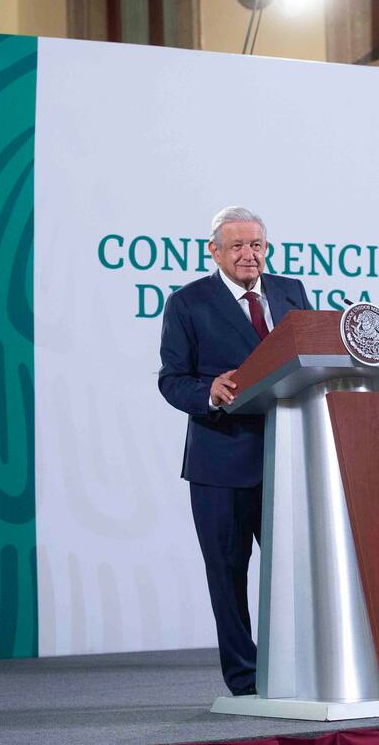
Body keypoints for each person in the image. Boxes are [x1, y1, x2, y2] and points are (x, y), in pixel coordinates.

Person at [158, 206, 312, 695]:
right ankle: (246, 679)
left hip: (288, 455)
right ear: (215, 252)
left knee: (298, 570)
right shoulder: (188, 303)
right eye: (239, 246)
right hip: (221, 461)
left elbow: (311, 355)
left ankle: (304, 668)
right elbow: (172, 380)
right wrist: (210, 392)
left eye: (258, 246)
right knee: (229, 575)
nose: (250, 255)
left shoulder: (291, 293)